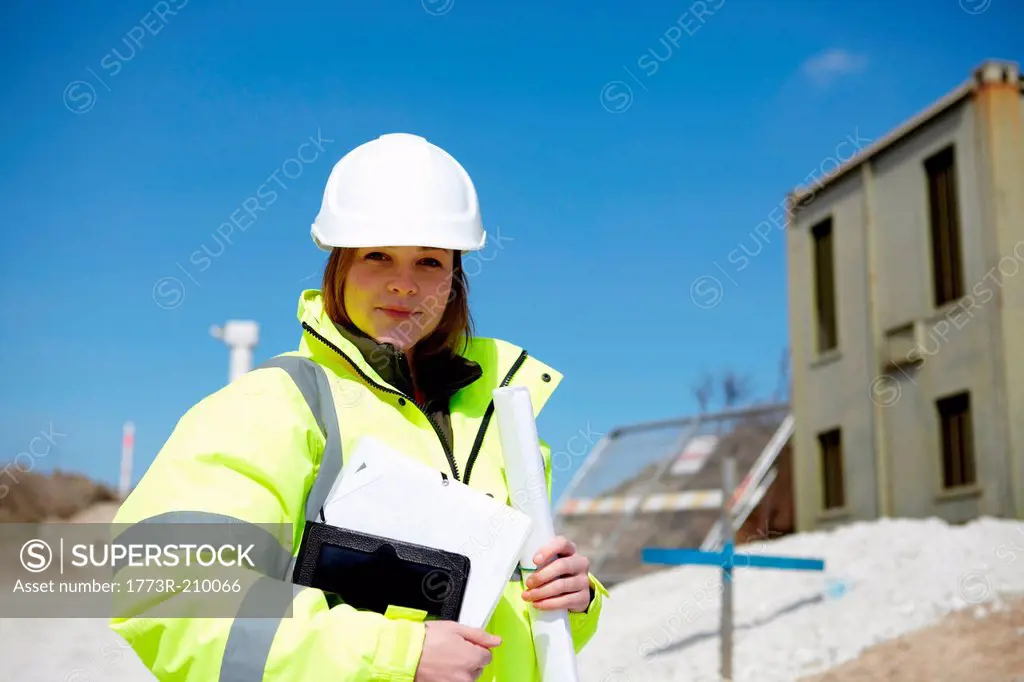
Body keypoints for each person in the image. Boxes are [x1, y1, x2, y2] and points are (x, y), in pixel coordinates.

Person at [109, 132, 609, 681]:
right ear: (339, 266)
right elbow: (167, 589)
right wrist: (394, 654)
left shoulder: (503, 420)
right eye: (377, 255)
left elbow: (515, 625)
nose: (404, 285)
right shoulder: (276, 404)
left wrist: (575, 599)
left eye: (429, 262)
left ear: (456, 278)